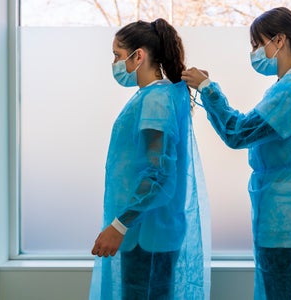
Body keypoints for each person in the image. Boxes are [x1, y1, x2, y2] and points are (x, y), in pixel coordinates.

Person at [182, 7, 291, 300]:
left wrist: (208, 88)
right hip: (283, 208)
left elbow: (240, 133)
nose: (254, 53)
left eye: (257, 44)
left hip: (290, 214)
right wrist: (207, 90)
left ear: (279, 40)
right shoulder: (287, 87)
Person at [89, 18, 211, 300]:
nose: (115, 63)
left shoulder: (156, 99)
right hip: (148, 232)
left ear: (138, 55)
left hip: (147, 236)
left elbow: (158, 176)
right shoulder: (157, 95)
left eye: (118, 55)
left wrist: (119, 226)